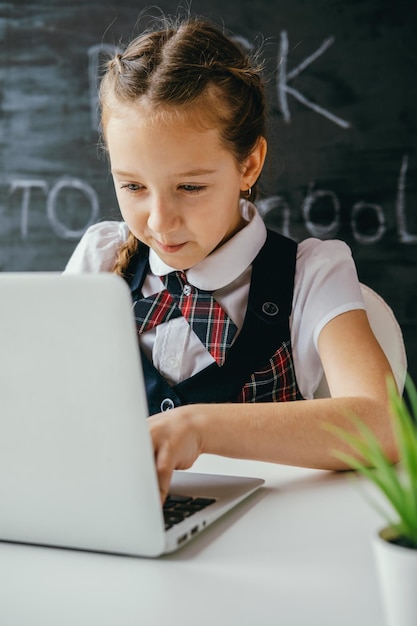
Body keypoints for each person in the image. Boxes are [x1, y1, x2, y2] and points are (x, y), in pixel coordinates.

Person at [64, 15, 398, 502]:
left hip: (269, 550)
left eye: (190, 187)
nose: (160, 221)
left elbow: (382, 423)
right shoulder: (101, 259)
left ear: (249, 164)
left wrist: (198, 426)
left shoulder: (310, 274)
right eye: (133, 186)